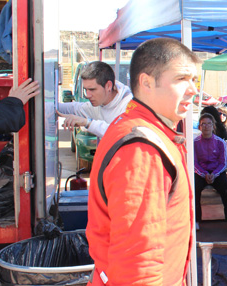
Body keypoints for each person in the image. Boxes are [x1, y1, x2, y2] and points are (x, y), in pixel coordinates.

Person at [86, 38, 199, 285]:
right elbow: (138, 262)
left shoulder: (144, 130)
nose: (193, 89)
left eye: (194, 80)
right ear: (146, 82)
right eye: (181, 79)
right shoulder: (141, 147)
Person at [57, 61, 133, 138]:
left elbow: (121, 133)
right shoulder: (98, 105)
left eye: (92, 90)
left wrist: (87, 123)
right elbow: (74, 108)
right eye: (85, 90)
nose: (87, 95)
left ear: (108, 86)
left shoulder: (130, 105)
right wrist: (48, 107)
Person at [194, 113, 227, 231]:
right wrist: (204, 174)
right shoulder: (195, 142)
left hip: (216, 172)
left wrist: (214, 174)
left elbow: (223, 162)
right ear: (200, 126)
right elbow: (194, 163)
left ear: (213, 126)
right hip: (201, 172)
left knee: (226, 188)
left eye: (209, 124)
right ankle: (196, 220)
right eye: (203, 124)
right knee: (194, 189)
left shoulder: (220, 142)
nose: (206, 126)